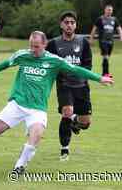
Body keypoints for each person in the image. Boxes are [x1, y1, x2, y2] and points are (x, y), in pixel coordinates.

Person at [0, 31, 114, 174]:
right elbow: (7, 63)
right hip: (17, 104)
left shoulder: (54, 61)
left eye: (37, 46)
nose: (33, 49)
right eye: (31, 46)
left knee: (37, 134)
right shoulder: (22, 55)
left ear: (44, 45)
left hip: (37, 109)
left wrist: (99, 78)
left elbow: (76, 70)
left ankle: (19, 166)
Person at [46, 11, 94, 161]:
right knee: (67, 112)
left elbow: (88, 65)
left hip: (81, 86)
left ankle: (75, 122)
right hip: (64, 84)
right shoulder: (53, 44)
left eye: (72, 22)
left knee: (85, 123)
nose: (69, 25)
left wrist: (80, 75)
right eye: (66, 22)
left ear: (76, 25)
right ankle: (64, 149)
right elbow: (47, 63)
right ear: (61, 24)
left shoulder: (83, 42)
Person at [89, 4, 122, 77]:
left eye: (111, 10)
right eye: (108, 10)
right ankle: (106, 74)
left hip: (111, 41)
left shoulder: (114, 19)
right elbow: (94, 29)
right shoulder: (100, 19)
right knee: (106, 57)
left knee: (106, 58)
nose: (109, 11)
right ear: (105, 10)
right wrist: (91, 39)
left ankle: (104, 72)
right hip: (103, 41)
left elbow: (119, 28)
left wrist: (121, 37)